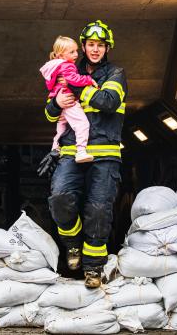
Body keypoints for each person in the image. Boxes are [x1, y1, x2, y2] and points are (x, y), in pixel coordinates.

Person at [42, 20, 128, 288]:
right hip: (70, 152)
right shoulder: (67, 70)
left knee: (99, 210)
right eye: (90, 44)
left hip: (105, 154)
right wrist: (56, 102)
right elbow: (49, 113)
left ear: (107, 48)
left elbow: (109, 102)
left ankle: (93, 269)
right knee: (59, 198)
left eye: (100, 45)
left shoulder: (115, 73)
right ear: (83, 46)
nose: (95, 49)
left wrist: (78, 86)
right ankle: (72, 245)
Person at [40, 36, 99, 163]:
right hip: (69, 100)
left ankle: (55, 147)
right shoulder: (67, 65)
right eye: (71, 52)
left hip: (60, 98)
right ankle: (81, 152)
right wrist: (89, 80)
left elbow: (51, 86)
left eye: (76, 50)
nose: (76, 54)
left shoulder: (54, 67)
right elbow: (74, 80)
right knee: (82, 124)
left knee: (61, 126)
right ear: (61, 55)